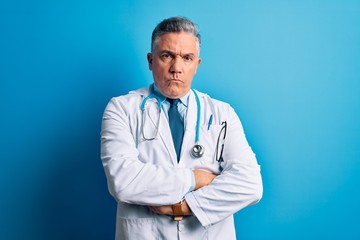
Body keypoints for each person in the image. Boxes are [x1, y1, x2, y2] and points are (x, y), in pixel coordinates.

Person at [101, 16, 263, 240]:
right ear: (150, 60)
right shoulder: (121, 109)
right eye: (167, 56)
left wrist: (185, 207)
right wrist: (198, 178)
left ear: (197, 64)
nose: (176, 68)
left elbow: (250, 185)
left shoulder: (222, 113)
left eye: (187, 58)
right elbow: (124, 182)